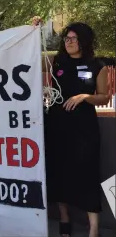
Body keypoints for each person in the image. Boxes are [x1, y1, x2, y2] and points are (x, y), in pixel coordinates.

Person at [33, 17, 110, 237]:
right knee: (59, 172)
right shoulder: (58, 62)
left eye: (74, 38)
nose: (69, 42)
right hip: (57, 126)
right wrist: (33, 31)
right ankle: (64, 218)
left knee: (86, 174)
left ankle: (93, 228)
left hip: (84, 129)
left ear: (84, 41)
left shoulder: (98, 66)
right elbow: (32, 58)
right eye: (67, 38)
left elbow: (104, 97)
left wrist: (85, 96)